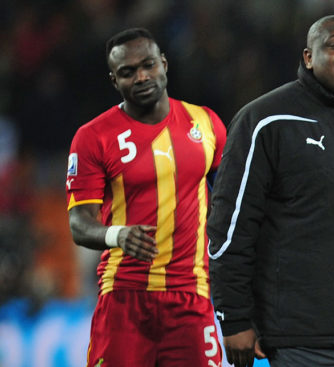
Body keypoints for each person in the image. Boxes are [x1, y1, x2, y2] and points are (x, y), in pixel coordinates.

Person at [206, 15, 334, 367]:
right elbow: (229, 229)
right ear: (308, 57)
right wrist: (234, 317)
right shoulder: (266, 119)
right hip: (303, 337)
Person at [65, 28, 225, 366]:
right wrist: (117, 234)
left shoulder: (206, 124)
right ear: (114, 80)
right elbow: (80, 224)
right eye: (127, 72)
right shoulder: (93, 137)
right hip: (124, 297)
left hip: (190, 298)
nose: (141, 76)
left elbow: (232, 205)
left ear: (164, 64)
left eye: (148, 65)